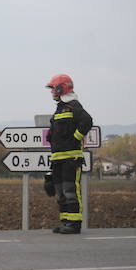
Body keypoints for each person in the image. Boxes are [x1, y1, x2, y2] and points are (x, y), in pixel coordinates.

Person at [45, 74, 93, 234]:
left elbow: (87, 121)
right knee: (60, 193)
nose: (51, 92)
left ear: (61, 88)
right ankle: (66, 221)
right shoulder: (60, 108)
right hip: (58, 159)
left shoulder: (73, 106)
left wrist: (75, 139)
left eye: (53, 89)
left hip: (71, 159)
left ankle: (74, 223)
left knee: (70, 191)